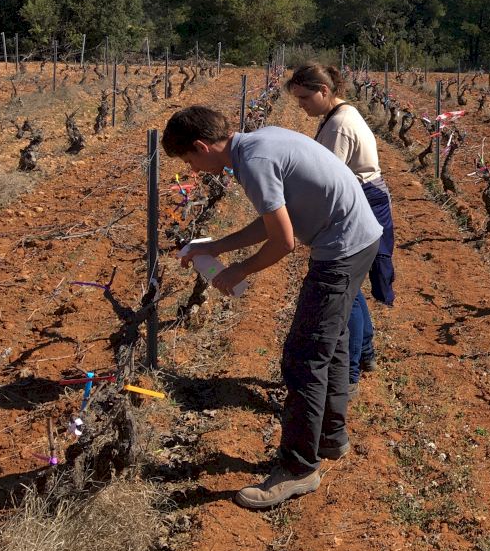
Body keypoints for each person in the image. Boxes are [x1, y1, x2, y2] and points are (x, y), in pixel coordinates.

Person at [163, 105, 382, 509]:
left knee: (303, 358)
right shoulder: (259, 143)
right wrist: (216, 247)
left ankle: (299, 469)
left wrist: (237, 271)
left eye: (189, 160)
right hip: (359, 237)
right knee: (331, 344)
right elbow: (273, 221)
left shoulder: (254, 163)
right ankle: (331, 437)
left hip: (342, 247)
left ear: (201, 146)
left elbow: (284, 242)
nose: (192, 170)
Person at [285, 62, 397, 394]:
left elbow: (326, 181)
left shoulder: (339, 126)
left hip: (363, 202)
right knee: (351, 287)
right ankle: (365, 353)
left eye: (304, 98)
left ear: (324, 91)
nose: (301, 105)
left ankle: (350, 370)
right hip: (364, 197)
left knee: (345, 290)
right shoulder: (337, 116)